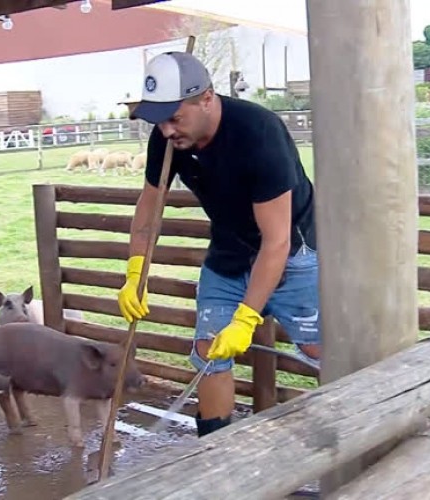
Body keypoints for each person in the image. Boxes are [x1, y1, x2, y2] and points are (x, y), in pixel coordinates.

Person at [117, 51, 322, 437]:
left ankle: (351, 439)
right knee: (209, 353)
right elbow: (149, 212)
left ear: (207, 99)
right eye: (158, 120)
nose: (165, 131)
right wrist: (134, 271)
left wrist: (247, 318)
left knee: (321, 351)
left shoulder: (258, 133)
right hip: (228, 253)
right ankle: (211, 457)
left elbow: (275, 241)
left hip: (294, 254)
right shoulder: (167, 139)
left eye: (175, 118)